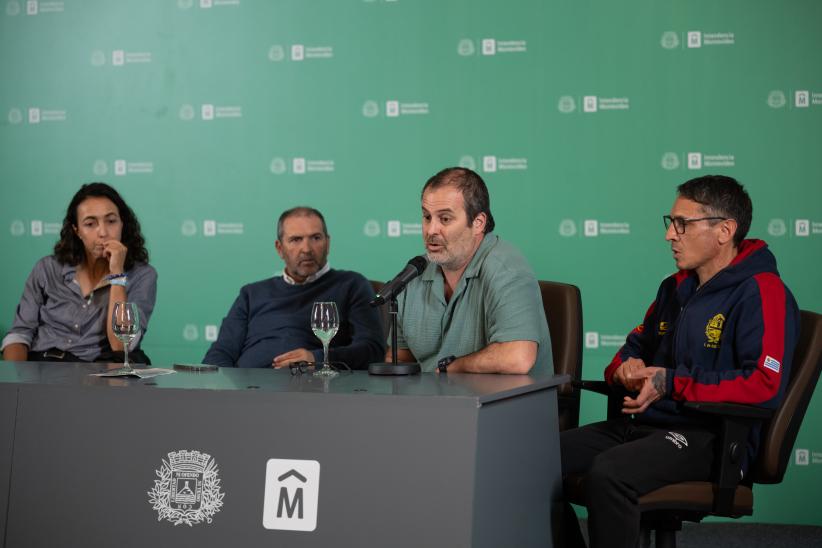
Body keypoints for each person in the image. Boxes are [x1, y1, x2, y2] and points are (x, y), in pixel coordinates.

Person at [560, 175, 800, 548]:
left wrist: (671, 382)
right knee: (538, 457)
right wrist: (626, 370)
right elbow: (631, 349)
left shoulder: (764, 292)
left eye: (682, 224)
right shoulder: (675, 287)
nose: (670, 235)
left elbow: (763, 386)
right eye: (670, 223)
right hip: (645, 426)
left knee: (609, 473)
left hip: (711, 438)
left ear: (724, 230)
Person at [387, 167, 551, 374]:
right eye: (427, 217)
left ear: (478, 223)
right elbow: (399, 359)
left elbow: (517, 358)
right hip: (432, 403)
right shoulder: (414, 274)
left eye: (445, 219)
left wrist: (452, 366)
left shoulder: (506, 269)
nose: (431, 230)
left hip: (502, 404)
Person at [203, 206, 385, 369]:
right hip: (248, 392)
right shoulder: (251, 293)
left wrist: (317, 359)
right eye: (296, 240)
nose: (306, 248)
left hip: (309, 390)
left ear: (327, 244)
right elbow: (219, 354)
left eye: (315, 238)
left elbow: (372, 349)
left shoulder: (351, 285)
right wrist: (231, 394)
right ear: (279, 248)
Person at [2, 182, 157, 363]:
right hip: (43, 367)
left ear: (123, 223)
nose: (103, 232)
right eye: (90, 224)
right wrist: (17, 382)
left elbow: (121, 346)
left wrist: (117, 274)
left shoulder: (143, 275)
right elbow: (19, 336)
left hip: (97, 376)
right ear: (77, 231)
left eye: (111, 221)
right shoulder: (47, 269)